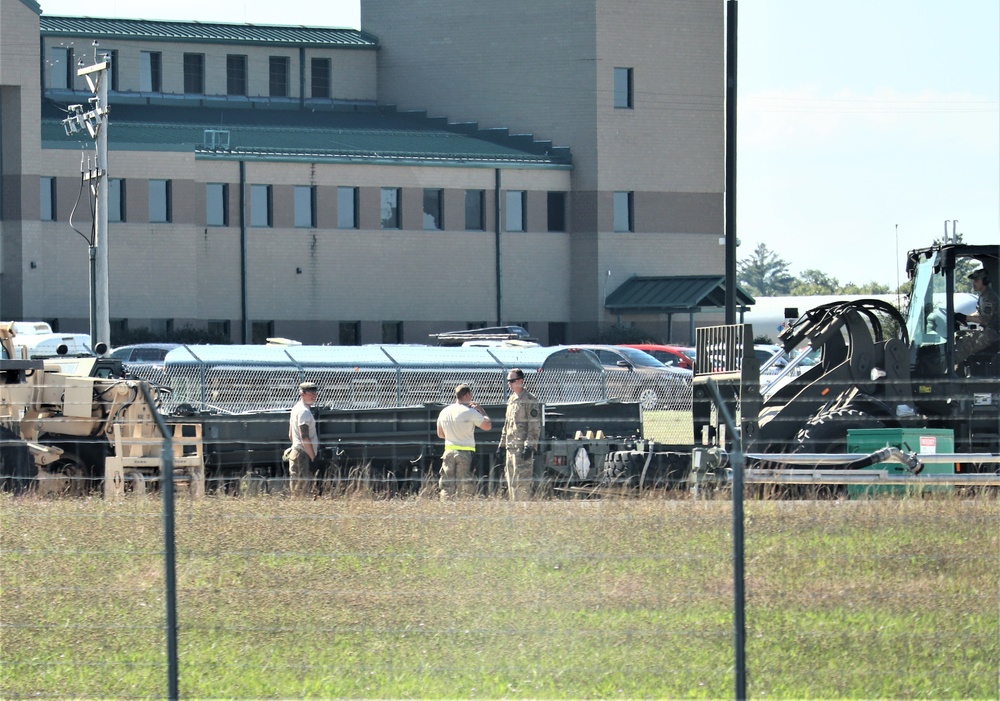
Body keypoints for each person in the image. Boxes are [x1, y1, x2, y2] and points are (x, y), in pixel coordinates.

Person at [435, 384, 492, 498]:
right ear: (467, 395)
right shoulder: (470, 412)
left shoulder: (444, 412)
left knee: (447, 485)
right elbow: (487, 426)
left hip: (448, 452)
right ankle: (464, 509)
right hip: (465, 453)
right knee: (465, 486)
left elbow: (440, 434)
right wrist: (480, 409)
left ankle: (446, 508)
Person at [497, 368, 541, 500]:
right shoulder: (511, 400)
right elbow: (507, 424)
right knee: (511, 482)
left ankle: (523, 511)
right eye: (508, 381)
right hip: (511, 448)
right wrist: (502, 445)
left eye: (512, 380)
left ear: (521, 381)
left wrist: (530, 445)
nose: (509, 384)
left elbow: (534, 425)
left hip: (522, 449)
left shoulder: (529, 399)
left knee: (522, 483)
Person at [955, 268, 999, 368]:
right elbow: (979, 313)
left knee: (965, 342)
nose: (973, 283)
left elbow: (984, 319)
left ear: (984, 281)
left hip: (994, 333)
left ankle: (951, 369)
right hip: (989, 331)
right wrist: (963, 317)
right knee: (958, 335)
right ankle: (959, 370)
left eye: (976, 280)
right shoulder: (983, 295)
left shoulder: (989, 297)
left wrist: (966, 318)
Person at [287, 381, 319, 497]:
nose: (314, 395)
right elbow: (304, 437)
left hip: (298, 452)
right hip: (303, 455)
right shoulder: (304, 412)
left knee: (298, 490)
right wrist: (313, 458)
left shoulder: (296, 408)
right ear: (302, 393)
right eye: (310, 392)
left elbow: (290, 434)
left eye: (315, 392)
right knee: (301, 492)